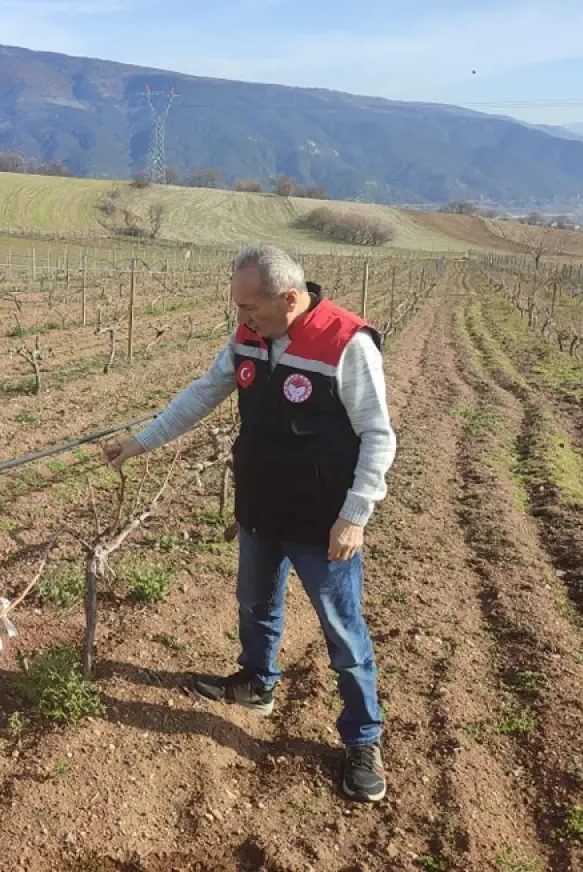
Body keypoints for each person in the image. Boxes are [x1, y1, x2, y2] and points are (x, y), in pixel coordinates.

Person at [103, 243, 396, 803]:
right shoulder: (249, 337)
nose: (242, 320)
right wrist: (141, 442)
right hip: (260, 508)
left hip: (322, 521)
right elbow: (204, 394)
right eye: (238, 309)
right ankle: (257, 683)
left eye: (251, 309)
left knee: (341, 630)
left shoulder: (345, 344)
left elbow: (379, 436)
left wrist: (354, 515)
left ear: (290, 298)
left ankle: (362, 737)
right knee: (255, 603)